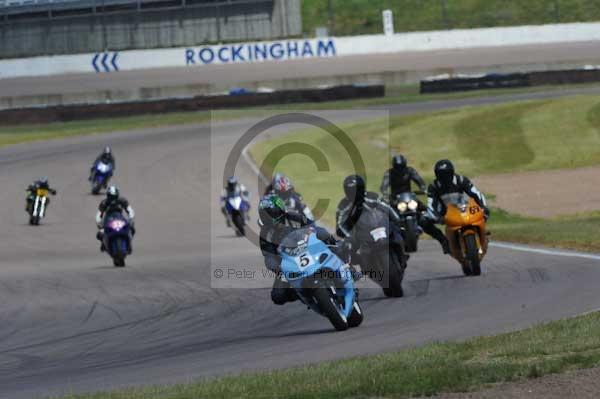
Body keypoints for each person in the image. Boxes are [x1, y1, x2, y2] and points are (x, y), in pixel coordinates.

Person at [258, 194, 340, 305]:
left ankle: (345, 266)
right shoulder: (265, 234)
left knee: (329, 239)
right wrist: (277, 268)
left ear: (280, 208)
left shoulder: (293, 217)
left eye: (272, 212)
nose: (270, 217)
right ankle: (303, 293)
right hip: (289, 263)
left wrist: (315, 233)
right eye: (265, 215)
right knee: (277, 296)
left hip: (308, 249)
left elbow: (313, 226)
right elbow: (268, 255)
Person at [421, 159, 490, 254]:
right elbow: (431, 204)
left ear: (452, 172)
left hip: (465, 207)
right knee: (423, 220)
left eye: (446, 174)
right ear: (437, 175)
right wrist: (437, 217)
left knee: (484, 213)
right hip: (446, 212)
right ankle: (443, 241)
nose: (444, 177)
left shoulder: (461, 180)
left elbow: (476, 194)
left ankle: (483, 234)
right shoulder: (434, 186)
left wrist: (483, 207)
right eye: (441, 175)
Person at [335, 174, 404, 265]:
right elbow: (339, 224)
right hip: (359, 233)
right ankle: (353, 270)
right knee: (346, 248)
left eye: (356, 190)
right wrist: (348, 236)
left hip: (379, 225)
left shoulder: (372, 197)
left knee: (399, 231)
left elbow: (387, 207)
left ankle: (401, 255)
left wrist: (397, 220)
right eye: (351, 191)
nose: (355, 194)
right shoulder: (343, 205)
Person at [95, 186, 135, 252]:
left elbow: (129, 210)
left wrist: (131, 219)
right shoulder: (104, 203)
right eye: (110, 197)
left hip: (120, 219)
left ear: (117, 195)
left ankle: (129, 244)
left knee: (132, 229)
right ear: (108, 196)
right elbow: (99, 215)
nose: (112, 199)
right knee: (99, 234)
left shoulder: (122, 201)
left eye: (114, 197)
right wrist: (99, 224)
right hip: (108, 220)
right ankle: (104, 243)